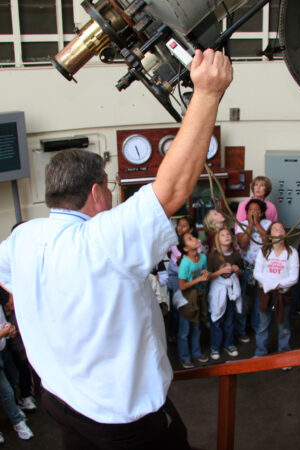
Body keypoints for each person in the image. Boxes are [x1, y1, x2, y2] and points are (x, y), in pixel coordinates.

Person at [0, 48, 233, 449]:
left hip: (61, 401)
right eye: (107, 185)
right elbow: (174, 189)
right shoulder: (102, 240)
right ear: (96, 192)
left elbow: (14, 285)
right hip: (122, 423)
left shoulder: (23, 237)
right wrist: (207, 93)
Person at [253, 222, 299, 361]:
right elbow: (257, 273)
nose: (279, 231)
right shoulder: (264, 251)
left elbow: (294, 277)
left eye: (282, 228)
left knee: (283, 326)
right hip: (266, 294)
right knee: (262, 325)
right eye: (275, 229)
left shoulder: (291, 252)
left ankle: (284, 354)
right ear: (270, 236)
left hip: (282, 295)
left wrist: (276, 285)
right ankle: (261, 352)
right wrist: (272, 285)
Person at [235, 199, 271, 342]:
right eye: (250, 210)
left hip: (264, 268)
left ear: (262, 213)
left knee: (259, 299)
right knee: (243, 298)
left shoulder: (268, 225)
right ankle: (241, 329)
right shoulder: (242, 225)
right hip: (247, 266)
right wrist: (250, 225)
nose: (253, 212)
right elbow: (242, 244)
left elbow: (268, 241)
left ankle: (257, 327)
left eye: (256, 210)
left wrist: (257, 224)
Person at [0, 294, 34, 442]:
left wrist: (8, 329)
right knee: (6, 389)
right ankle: (17, 419)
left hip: (3, 347)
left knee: (11, 382)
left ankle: (17, 418)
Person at [207, 227, 243, 360]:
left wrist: (237, 270)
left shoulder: (236, 254)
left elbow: (240, 272)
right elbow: (209, 275)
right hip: (218, 290)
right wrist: (220, 272)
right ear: (218, 240)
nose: (227, 236)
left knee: (229, 319)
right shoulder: (213, 256)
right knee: (216, 319)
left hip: (231, 291)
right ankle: (215, 346)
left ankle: (229, 343)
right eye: (223, 235)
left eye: (228, 234)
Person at [177, 232, 209, 369]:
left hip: (199, 296)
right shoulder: (185, 263)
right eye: (190, 239)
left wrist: (206, 275)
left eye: (194, 237)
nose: (195, 239)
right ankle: (184, 357)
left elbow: (205, 272)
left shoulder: (202, 258)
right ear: (185, 248)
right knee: (184, 331)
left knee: (196, 326)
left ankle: (196, 352)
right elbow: (182, 286)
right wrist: (198, 280)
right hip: (187, 298)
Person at [167, 216, 201, 343]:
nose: (180, 228)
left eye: (184, 225)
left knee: (188, 308)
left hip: (192, 280)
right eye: (179, 225)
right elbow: (169, 255)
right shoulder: (172, 242)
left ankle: (185, 336)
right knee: (176, 308)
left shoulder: (196, 244)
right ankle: (173, 333)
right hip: (176, 279)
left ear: (191, 229)